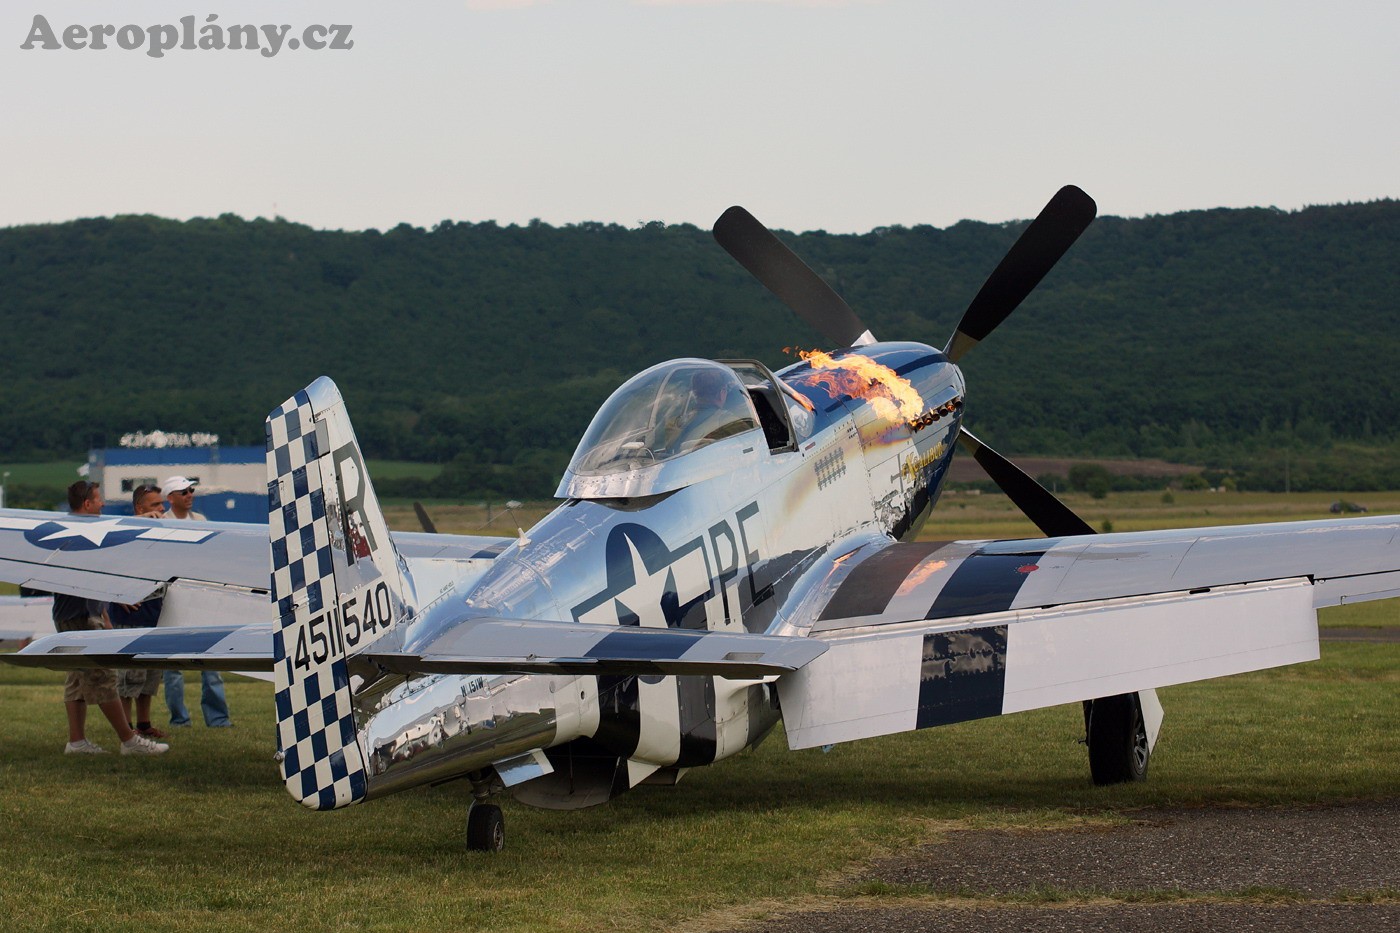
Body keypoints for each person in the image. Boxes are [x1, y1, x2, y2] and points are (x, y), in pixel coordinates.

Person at [53, 481, 169, 756]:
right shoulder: (76, 531)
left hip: (83, 614)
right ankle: (130, 740)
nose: (102, 503)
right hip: (79, 616)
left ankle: (77, 741)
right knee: (103, 678)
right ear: (87, 505)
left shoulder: (80, 530)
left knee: (77, 682)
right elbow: (102, 540)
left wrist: (104, 613)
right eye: (98, 499)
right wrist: (139, 520)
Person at [160, 476, 233, 728]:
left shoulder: (200, 521)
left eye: (191, 490)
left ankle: (218, 718)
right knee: (172, 666)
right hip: (170, 598)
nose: (189, 495)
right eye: (183, 492)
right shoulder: (161, 522)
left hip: (200, 596)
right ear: (170, 498)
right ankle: (179, 719)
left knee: (211, 662)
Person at [111, 485, 170, 740]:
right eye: (155, 505)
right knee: (128, 680)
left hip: (154, 612)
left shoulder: (164, 531)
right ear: (140, 508)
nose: (161, 509)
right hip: (129, 616)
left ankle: (144, 724)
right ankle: (127, 729)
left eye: (161, 504)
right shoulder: (126, 531)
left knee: (150, 676)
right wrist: (115, 592)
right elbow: (110, 561)